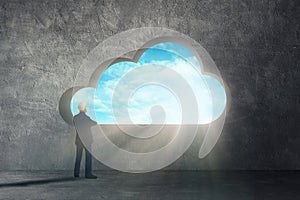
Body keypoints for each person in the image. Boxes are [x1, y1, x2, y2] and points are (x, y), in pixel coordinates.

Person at [73, 102, 97, 179]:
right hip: (87, 140)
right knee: (88, 157)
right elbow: (94, 123)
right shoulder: (87, 118)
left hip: (79, 140)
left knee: (78, 157)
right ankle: (88, 174)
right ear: (84, 108)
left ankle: (76, 173)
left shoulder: (75, 118)